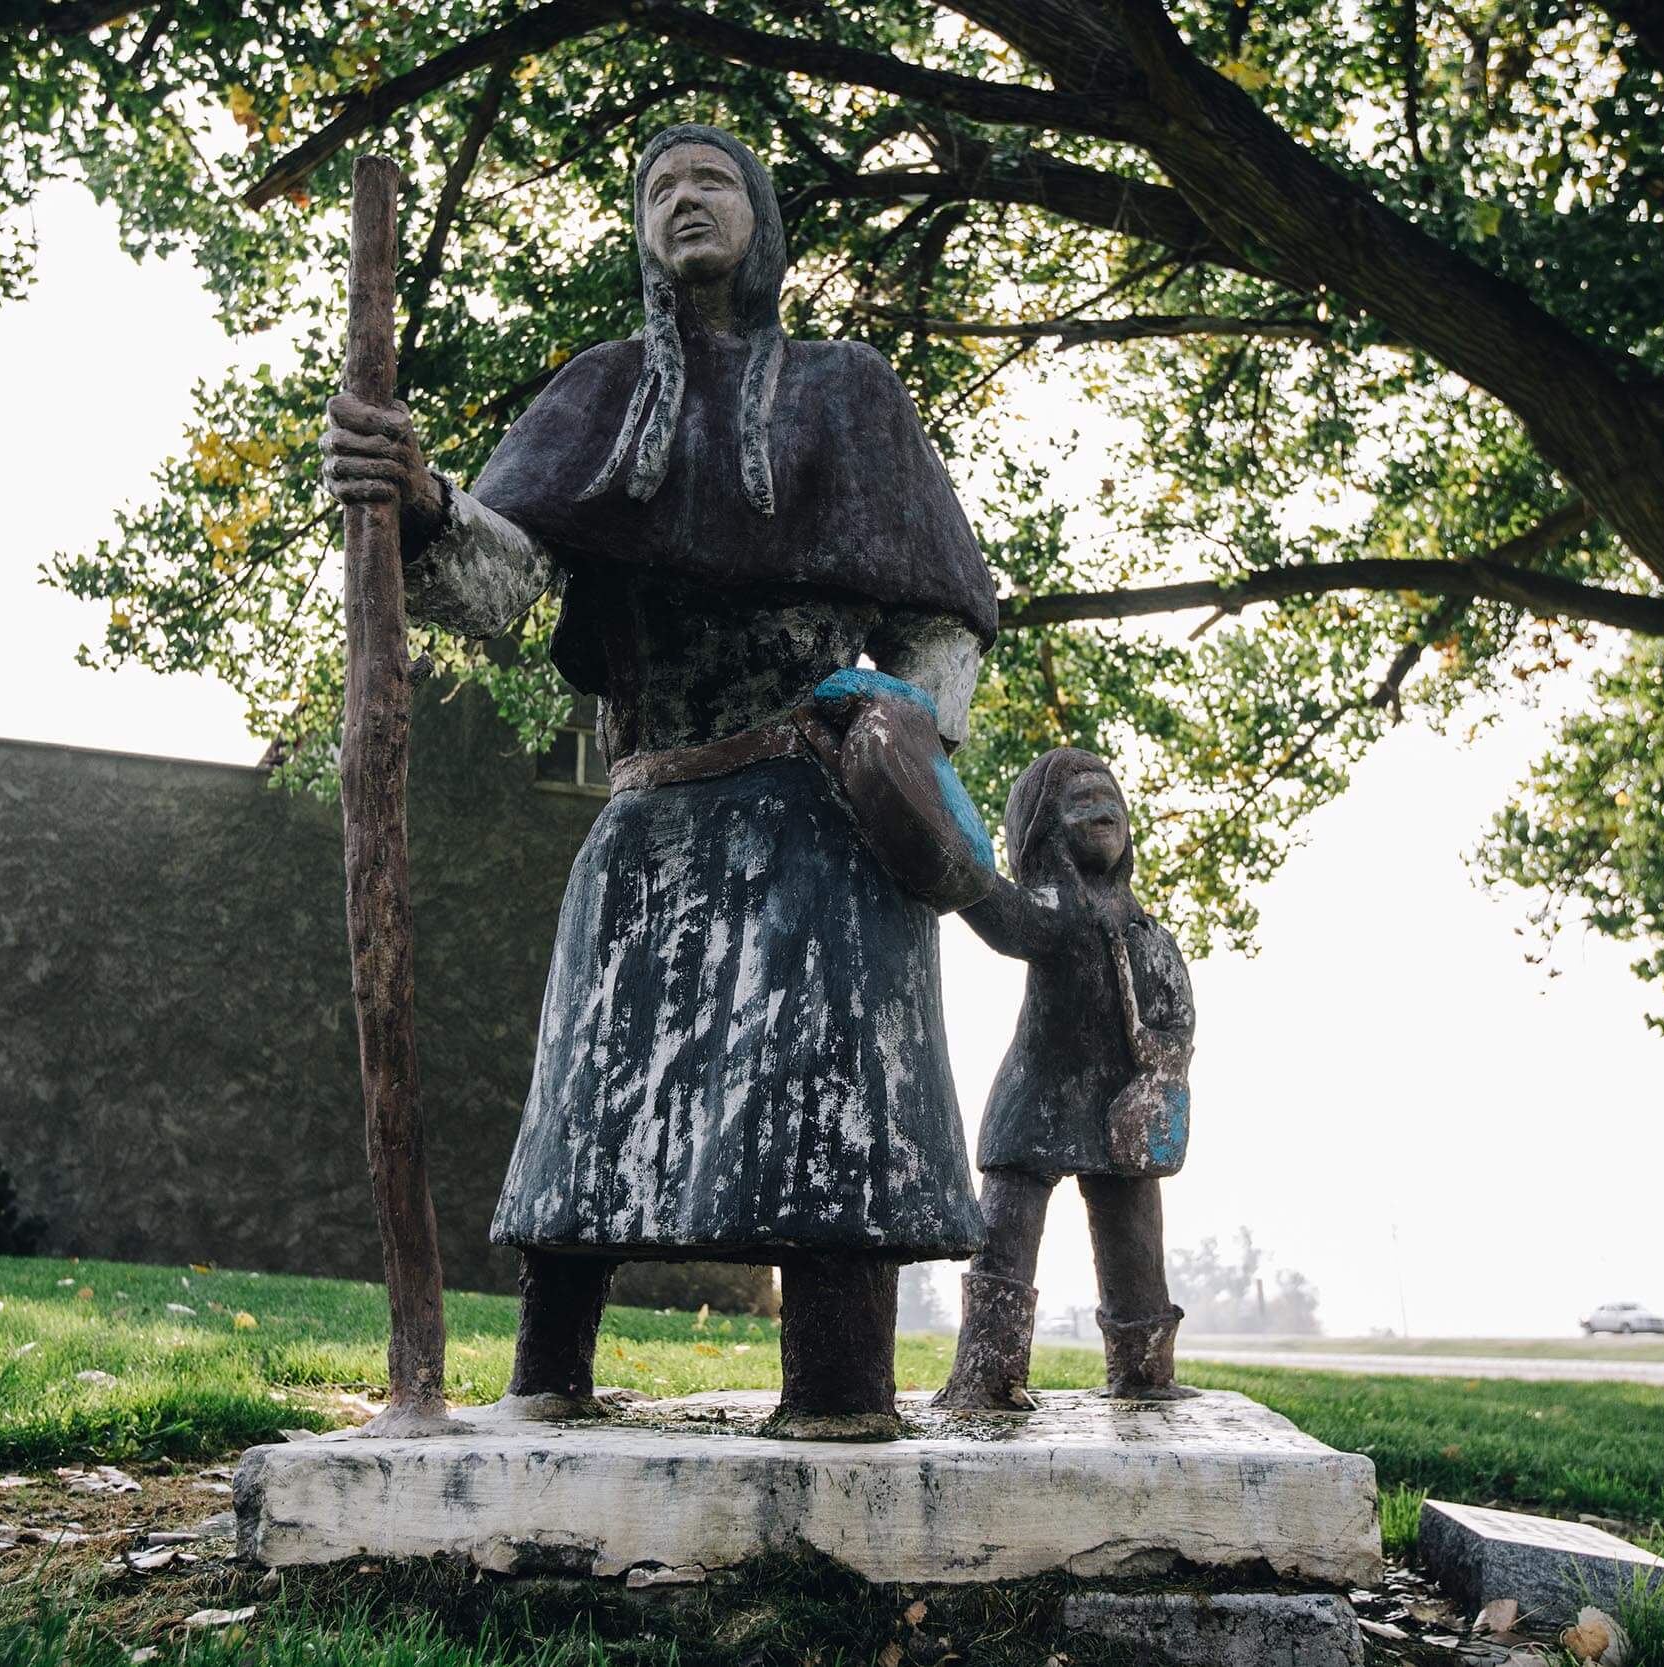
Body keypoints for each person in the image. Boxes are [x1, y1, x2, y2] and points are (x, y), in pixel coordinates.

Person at [320, 124, 994, 1440]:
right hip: (648, 808)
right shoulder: (597, 391)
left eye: (713, 182)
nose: (686, 201)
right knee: (592, 1099)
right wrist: (420, 498)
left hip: (817, 807)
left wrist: (911, 736)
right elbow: (502, 586)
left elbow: (944, 616)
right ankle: (548, 1371)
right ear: (638, 226)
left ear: (762, 216)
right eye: (660, 188)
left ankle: (840, 1393)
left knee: (822, 1102)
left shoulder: (849, 389)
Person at [932, 748, 1200, 1410]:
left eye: (1110, 802)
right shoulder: (1053, 908)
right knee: (1005, 1241)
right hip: (1034, 1106)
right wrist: (955, 863)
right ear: (1046, 829)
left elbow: (1175, 1008)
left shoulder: (1144, 929)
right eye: (1081, 803)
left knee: (1136, 1245)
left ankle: (1144, 1373)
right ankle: (987, 1374)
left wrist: (1166, 1057)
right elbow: (1001, 912)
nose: (1102, 813)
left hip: (1122, 1113)